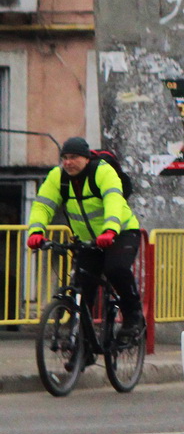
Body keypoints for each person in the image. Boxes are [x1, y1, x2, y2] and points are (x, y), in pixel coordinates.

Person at [25, 137, 145, 340]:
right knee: (82, 291)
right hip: (87, 240)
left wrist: (110, 230)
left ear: (87, 158)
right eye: (64, 158)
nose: (68, 162)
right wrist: (36, 231)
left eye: (73, 157)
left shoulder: (103, 171)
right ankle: (83, 348)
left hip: (121, 233)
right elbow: (43, 205)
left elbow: (113, 200)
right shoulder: (58, 177)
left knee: (116, 269)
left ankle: (134, 316)